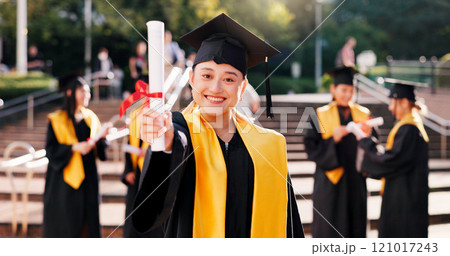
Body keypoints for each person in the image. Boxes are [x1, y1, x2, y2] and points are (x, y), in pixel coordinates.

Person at [131, 13, 304, 238]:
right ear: (192, 79)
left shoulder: (270, 145)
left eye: (229, 79)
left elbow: (289, 225)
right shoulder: (179, 129)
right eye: (207, 75)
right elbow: (148, 216)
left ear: (242, 89)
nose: (216, 87)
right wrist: (165, 146)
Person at [304, 66, 376, 238]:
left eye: (351, 91)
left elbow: (374, 146)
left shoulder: (363, 114)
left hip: (356, 180)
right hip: (330, 181)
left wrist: (367, 138)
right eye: (343, 90)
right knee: (328, 229)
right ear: (333, 89)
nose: (347, 95)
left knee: (355, 227)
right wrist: (333, 139)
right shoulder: (319, 114)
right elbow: (311, 147)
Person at [357, 78, 429, 238]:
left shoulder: (409, 128)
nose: (390, 108)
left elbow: (391, 161)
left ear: (403, 102)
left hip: (403, 201)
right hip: (407, 196)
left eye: (391, 102)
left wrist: (366, 142)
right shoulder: (411, 125)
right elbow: (397, 157)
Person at [42, 75, 108, 237]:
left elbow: (101, 151)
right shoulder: (57, 119)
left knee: (88, 222)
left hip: (88, 177)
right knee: (65, 221)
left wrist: (102, 137)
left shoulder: (91, 118)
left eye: (88, 91)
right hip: (63, 179)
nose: (87, 95)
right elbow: (51, 150)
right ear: (70, 93)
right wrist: (73, 147)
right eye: (82, 91)